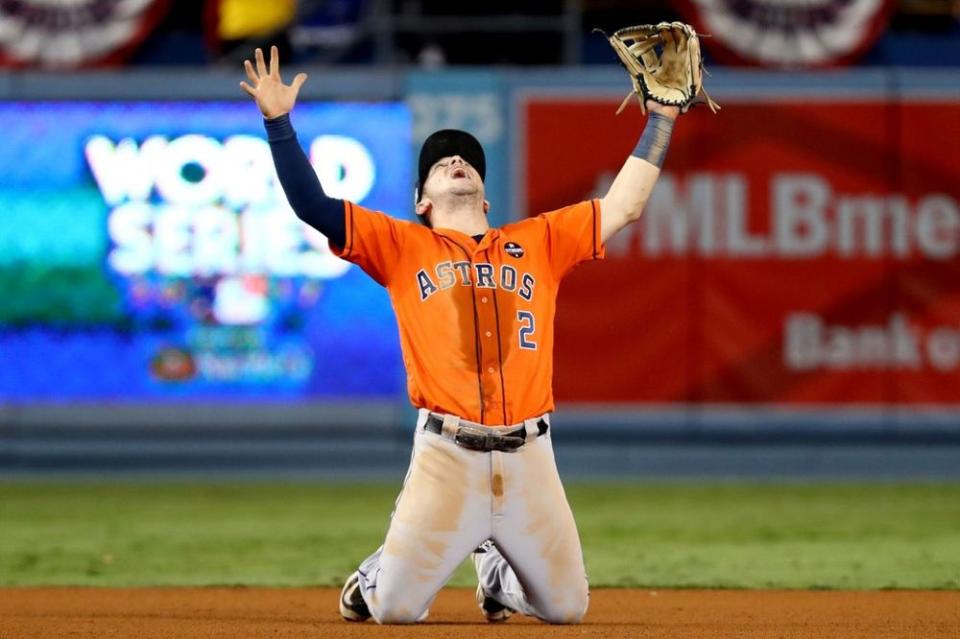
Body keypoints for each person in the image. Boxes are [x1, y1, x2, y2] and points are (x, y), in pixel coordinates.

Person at [241, 46, 679, 625]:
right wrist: (278, 123)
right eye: (441, 161)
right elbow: (314, 206)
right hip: (446, 454)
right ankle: (378, 572)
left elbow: (623, 205)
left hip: (530, 456)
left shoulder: (539, 241)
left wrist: (663, 118)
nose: (456, 161)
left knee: (567, 608)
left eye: (466, 159)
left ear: (485, 194)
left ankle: (497, 573)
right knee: (394, 609)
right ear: (422, 200)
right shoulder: (401, 247)